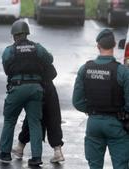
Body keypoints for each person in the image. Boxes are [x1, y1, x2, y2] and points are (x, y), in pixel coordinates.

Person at [0, 20, 53, 166]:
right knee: (35, 123)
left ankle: (5, 153)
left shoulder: (9, 50)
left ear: (14, 35)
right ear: (27, 33)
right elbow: (50, 59)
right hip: (36, 89)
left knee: (9, 120)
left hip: (17, 88)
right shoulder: (37, 48)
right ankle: (36, 157)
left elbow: (7, 69)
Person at [72, 29, 129, 169]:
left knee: (95, 165)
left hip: (93, 123)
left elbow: (77, 101)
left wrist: (91, 109)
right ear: (115, 45)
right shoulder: (123, 71)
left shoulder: (85, 69)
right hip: (117, 124)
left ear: (98, 46)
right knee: (121, 165)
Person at [12, 64, 65, 163]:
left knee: (32, 118)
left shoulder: (26, 58)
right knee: (53, 118)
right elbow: (53, 73)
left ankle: (20, 147)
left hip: (35, 88)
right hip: (49, 89)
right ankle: (58, 152)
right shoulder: (42, 56)